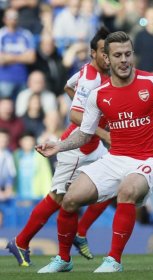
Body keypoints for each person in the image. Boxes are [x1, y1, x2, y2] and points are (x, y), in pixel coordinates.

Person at [36, 31, 153, 273]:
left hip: (148, 160)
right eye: (118, 55)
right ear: (107, 58)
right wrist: (59, 145)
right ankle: (63, 259)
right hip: (114, 159)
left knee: (127, 190)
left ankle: (113, 259)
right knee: (70, 198)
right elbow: (85, 132)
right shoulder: (98, 95)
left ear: (132, 55)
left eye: (127, 54)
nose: (124, 60)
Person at [6, 27, 112, 266]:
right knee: (57, 199)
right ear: (93, 53)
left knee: (116, 183)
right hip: (77, 148)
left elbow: (67, 87)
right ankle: (21, 242)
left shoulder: (89, 70)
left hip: (93, 147)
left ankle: (79, 233)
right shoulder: (91, 77)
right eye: (104, 52)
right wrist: (104, 131)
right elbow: (75, 117)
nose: (108, 57)